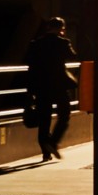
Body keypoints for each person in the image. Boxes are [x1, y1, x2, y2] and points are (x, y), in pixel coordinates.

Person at [25, 17, 78, 161]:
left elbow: (29, 63)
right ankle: (53, 142)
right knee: (64, 114)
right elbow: (73, 56)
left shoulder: (36, 44)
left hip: (41, 86)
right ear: (62, 28)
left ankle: (45, 152)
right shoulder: (63, 43)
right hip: (59, 85)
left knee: (44, 119)